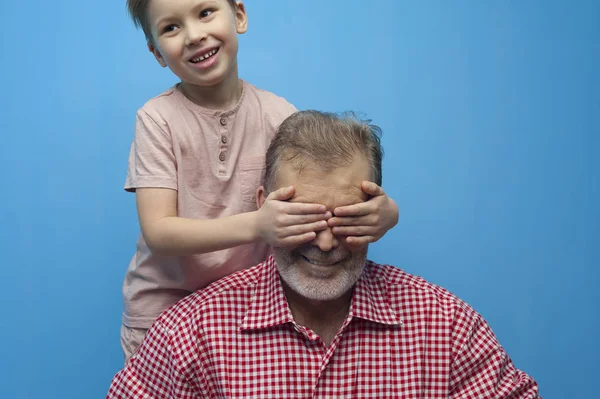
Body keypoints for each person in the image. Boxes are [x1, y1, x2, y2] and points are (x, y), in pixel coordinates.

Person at [107, 110, 541, 398]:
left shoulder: (447, 328)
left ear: (375, 212)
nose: (326, 243)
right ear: (264, 205)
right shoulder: (190, 335)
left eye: (346, 219)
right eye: (304, 219)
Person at [120, 0, 399, 361]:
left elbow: (321, 185)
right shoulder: (156, 119)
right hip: (164, 304)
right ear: (157, 52)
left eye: (205, 13)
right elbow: (159, 233)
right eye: (171, 28)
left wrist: (388, 213)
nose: (193, 35)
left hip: (245, 307)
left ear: (238, 14)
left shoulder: (279, 114)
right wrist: (258, 225)